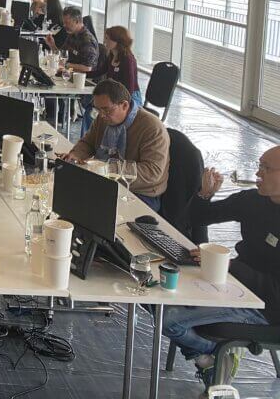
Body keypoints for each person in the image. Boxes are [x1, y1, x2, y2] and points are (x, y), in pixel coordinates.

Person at [163, 146, 280, 390]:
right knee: (157, 294)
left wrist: (228, 266)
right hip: (234, 286)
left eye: (266, 168)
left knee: (168, 318)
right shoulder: (253, 200)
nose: (258, 173)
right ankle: (213, 357)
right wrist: (204, 195)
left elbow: (274, 290)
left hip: (268, 309)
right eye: (259, 165)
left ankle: (216, 356)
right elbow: (196, 219)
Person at [63, 79, 169, 210]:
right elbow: (88, 142)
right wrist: (75, 155)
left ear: (124, 105)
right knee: (68, 195)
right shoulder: (103, 118)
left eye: (106, 110)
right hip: (105, 182)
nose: (101, 115)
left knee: (88, 207)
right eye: (98, 109)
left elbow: (152, 172)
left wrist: (106, 169)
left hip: (140, 193)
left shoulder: (152, 127)